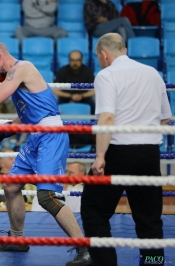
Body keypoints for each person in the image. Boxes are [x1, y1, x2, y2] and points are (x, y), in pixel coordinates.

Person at [0, 40, 92, 266]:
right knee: (11, 186)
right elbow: (29, 113)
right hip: (36, 135)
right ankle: (17, 239)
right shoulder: (10, 75)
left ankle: (85, 249)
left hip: (51, 136)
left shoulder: (22, 68)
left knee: (47, 197)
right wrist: (3, 133)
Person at [81, 33, 171, 266]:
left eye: (98, 57)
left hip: (118, 152)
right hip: (150, 153)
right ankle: (153, 263)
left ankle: (106, 264)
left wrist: (100, 156)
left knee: (94, 211)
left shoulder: (107, 74)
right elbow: (166, 118)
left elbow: (107, 117)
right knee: (149, 217)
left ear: (103, 54)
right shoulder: (153, 73)